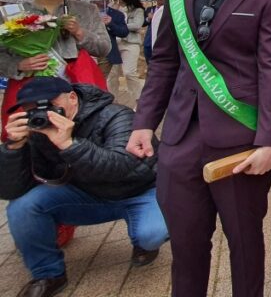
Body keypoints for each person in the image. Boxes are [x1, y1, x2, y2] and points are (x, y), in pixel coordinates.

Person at [126, 0, 271, 297]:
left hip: (240, 138)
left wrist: (270, 140)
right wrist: (144, 122)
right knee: (186, 245)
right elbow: (163, 62)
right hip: (181, 138)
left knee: (245, 243)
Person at [1, 77, 167, 297]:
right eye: (31, 109)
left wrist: (68, 144)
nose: (43, 113)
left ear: (72, 97)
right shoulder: (38, 132)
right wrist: (13, 148)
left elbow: (120, 167)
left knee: (152, 233)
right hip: (88, 195)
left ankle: (143, 242)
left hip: (139, 191)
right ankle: (48, 274)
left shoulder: (116, 115)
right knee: (22, 207)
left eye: (49, 105)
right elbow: (12, 191)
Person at [0, 0, 111, 141]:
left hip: (77, 85)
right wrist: (19, 64)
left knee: (83, 135)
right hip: (29, 88)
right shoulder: (14, 14)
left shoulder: (86, 10)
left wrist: (80, 32)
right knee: (29, 138)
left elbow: (104, 48)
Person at [107, 0, 145, 107]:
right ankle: (112, 102)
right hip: (116, 43)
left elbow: (137, 25)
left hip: (131, 44)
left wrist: (120, 26)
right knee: (112, 74)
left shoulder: (138, 10)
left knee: (129, 72)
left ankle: (139, 102)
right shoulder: (115, 9)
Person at [96, 2, 128, 78]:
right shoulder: (85, 11)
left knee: (100, 80)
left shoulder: (117, 14)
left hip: (106, 53)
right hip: (87, 53)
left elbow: (124, 32)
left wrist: (111, 24)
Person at [142, 0, 167, 64]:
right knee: (148, 53)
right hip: (149, 37)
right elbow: (142, 23)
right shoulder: (149, 9)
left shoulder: (168, 9)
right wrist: (148, 19)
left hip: (162, 35)